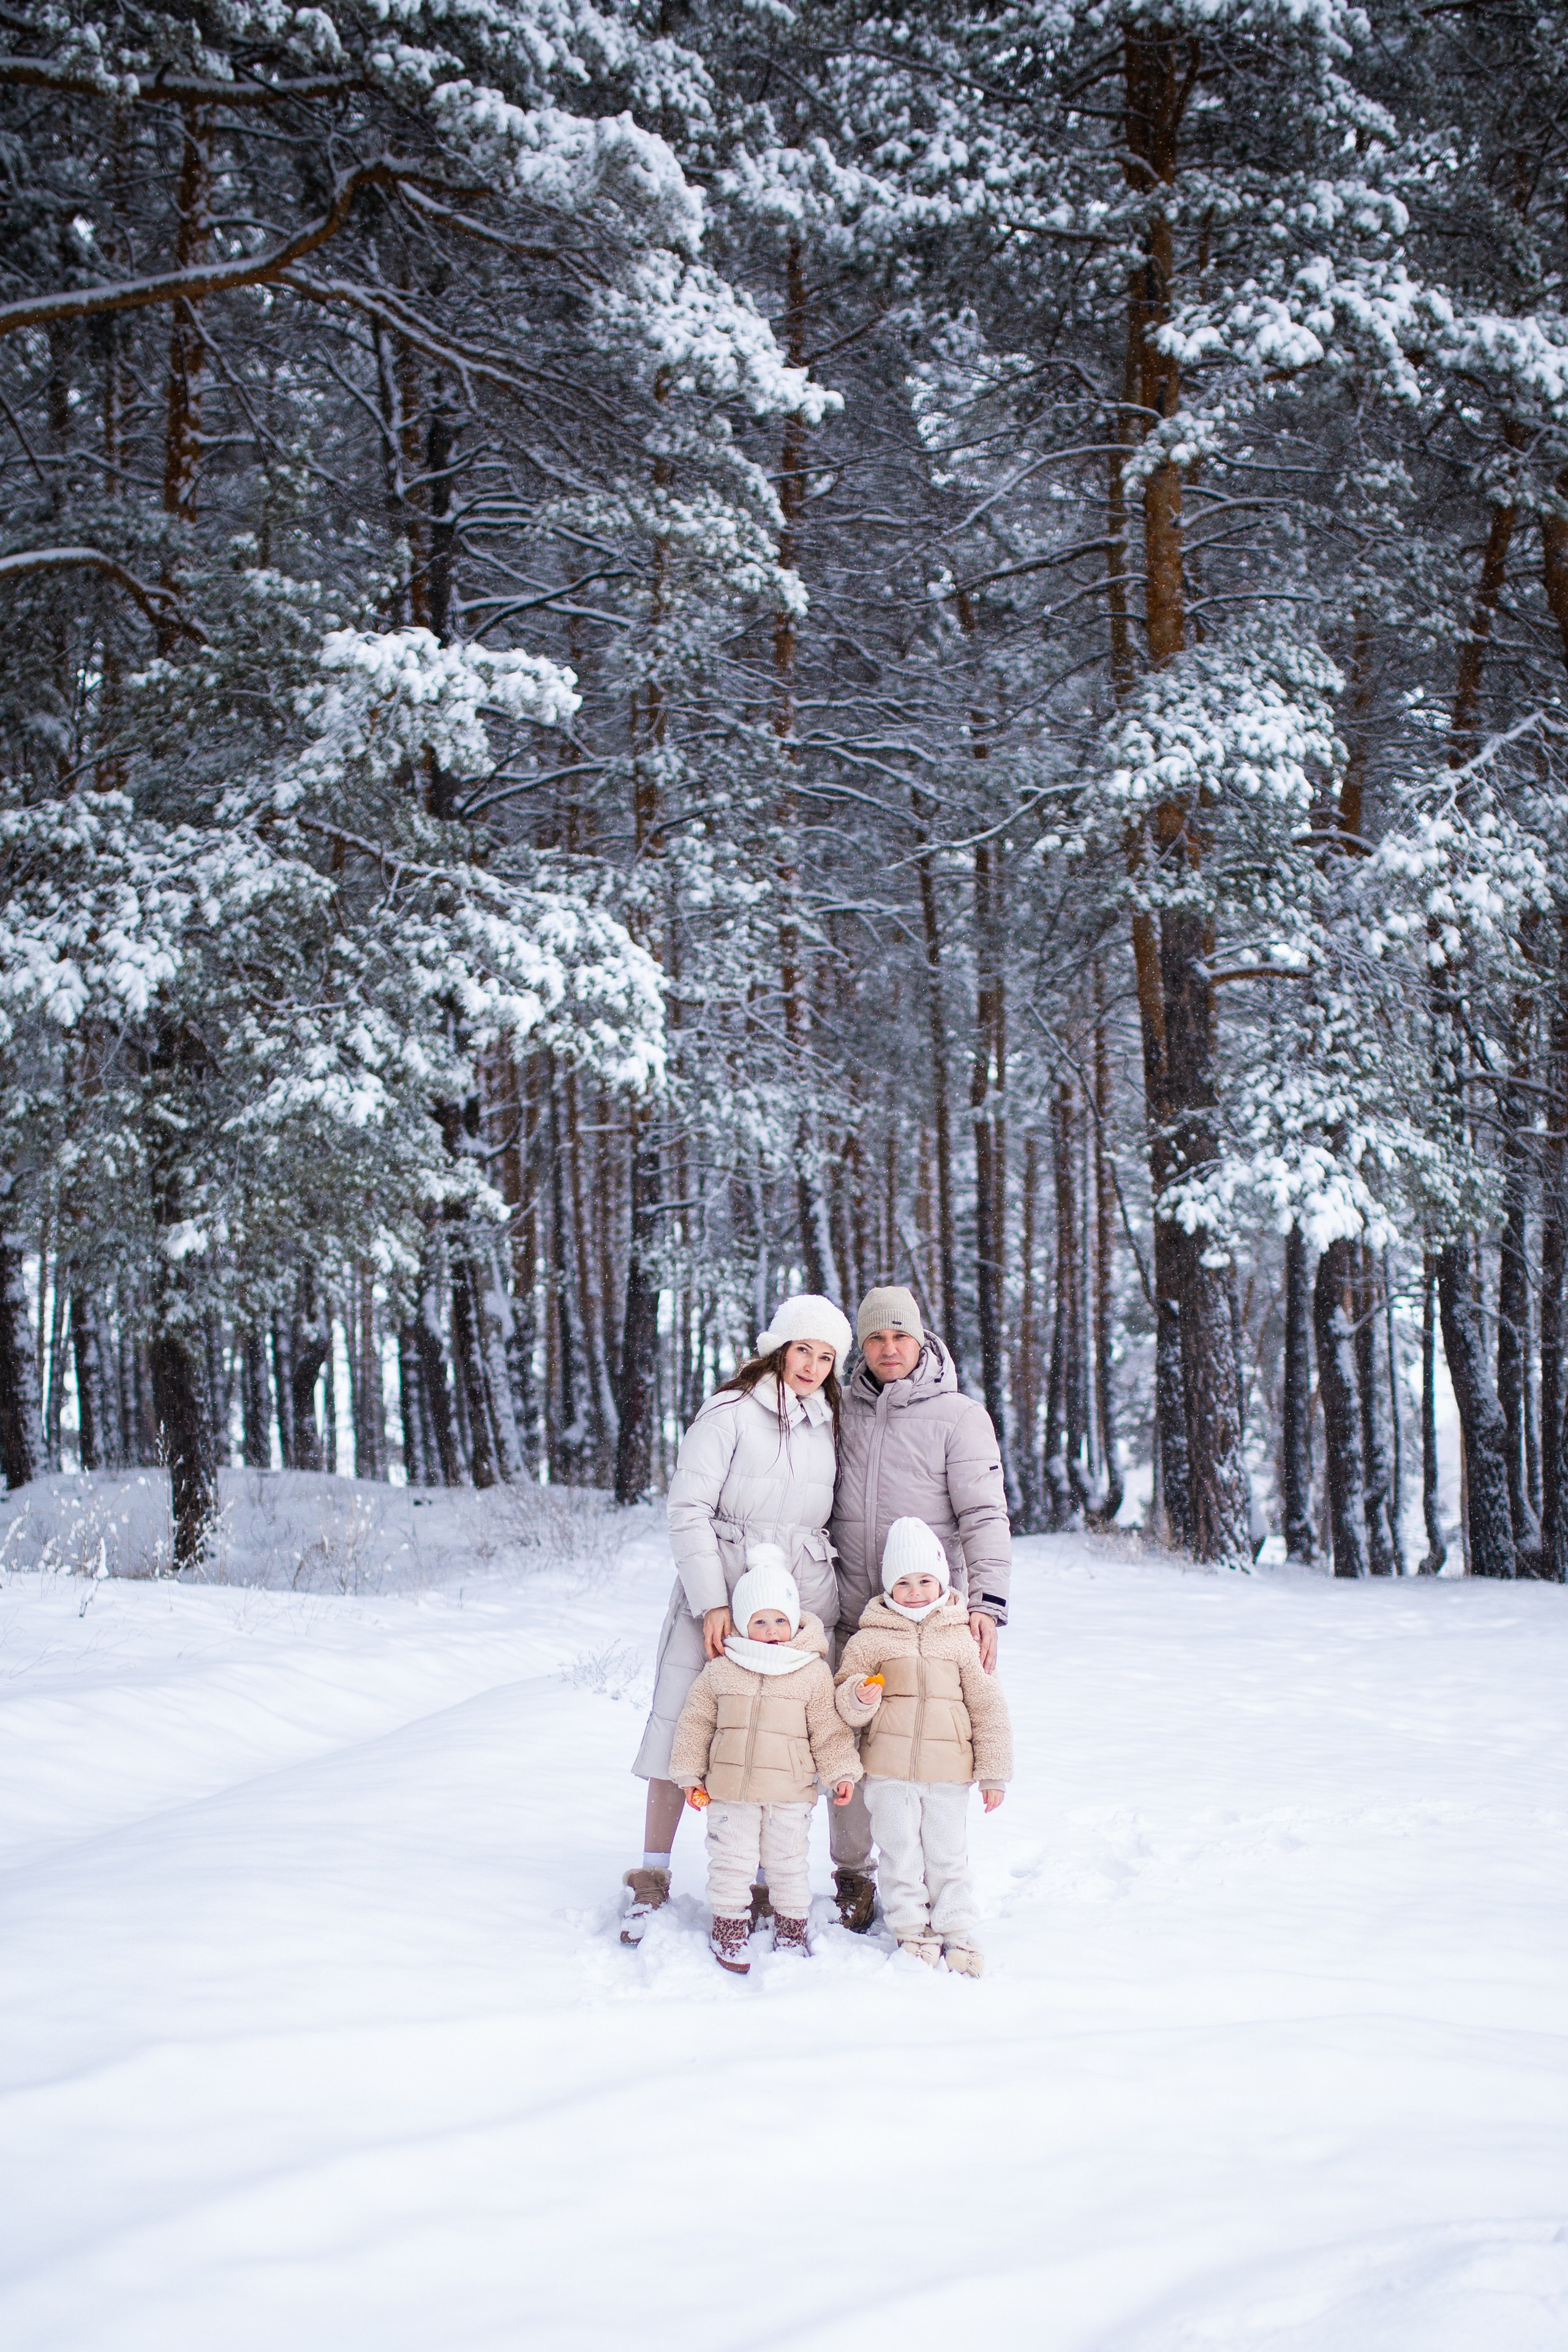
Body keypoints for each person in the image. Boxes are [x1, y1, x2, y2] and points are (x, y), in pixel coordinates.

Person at [622, 1291, 853, 1944]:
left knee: (779, 1737)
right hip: (721, 1587)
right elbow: (686, 1509)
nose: (812, 1366)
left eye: (826, 1356)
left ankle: (757, 1879)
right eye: (803, 1349)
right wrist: (711, 1602)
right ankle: (652, 1874)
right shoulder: (729, 1412)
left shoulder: (828, 1422)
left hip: (798, 1598)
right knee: (681, 1727)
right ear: (779, 1347)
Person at [829, 1284, 1011, 1931]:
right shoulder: (839, 1408)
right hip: (853, 1610)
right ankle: (854, 1876)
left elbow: (985, 1512)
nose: (887, 1349)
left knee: (927, 1752)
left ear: (922, 1339)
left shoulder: (959, 1416)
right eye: (875, 1338)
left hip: (931, 1621)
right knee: (849, 1747)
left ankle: (941, 1884)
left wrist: (986, 1604)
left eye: (899, 1336)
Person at [834, 1517, 1011, 1974]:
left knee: (948, 1853)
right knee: (900, 1852)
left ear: (942, 1581)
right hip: (888, 1771)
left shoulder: (961, 1639)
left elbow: (988, 1708)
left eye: (925, 1581)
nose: (915, 1592)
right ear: (890, 1586)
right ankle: (912, 1927)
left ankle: (956, 1930)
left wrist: (994, 1772)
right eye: (904, 1582)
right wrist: (858, 1695)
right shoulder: (870, 1637)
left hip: (949, 1771)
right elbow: (843, 1700)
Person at [669, 1553, 860, 1973]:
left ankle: (792, 1930)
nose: (771, 1631)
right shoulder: (722, 1670)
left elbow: (828, 1732)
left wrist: (841, 1772)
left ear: (794, 1622)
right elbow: (695, 1723)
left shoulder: (810, 1673)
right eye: (759, 1622)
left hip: (789, 1794)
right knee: (730, 1863)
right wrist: (688, 1772)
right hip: (730, 1793)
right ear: (741, 1624)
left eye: (779, 1620)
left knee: (789, 1865)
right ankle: (729, 1928)